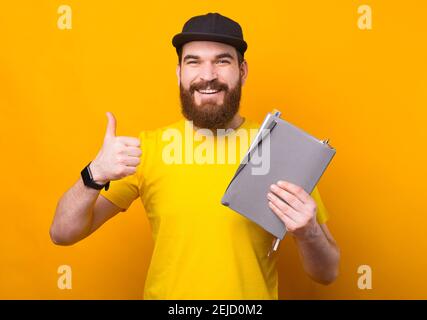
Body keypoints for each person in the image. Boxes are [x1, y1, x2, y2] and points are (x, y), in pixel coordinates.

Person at [50, 12, 340, 299]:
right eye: (194, 61)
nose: (208, 75)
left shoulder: (281, 148)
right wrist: (94, 174)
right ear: (179, 72)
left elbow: (327, 273)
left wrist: (308, 231)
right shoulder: (148, 149)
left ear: (243, 71)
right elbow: (63, 233)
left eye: (222, 61)